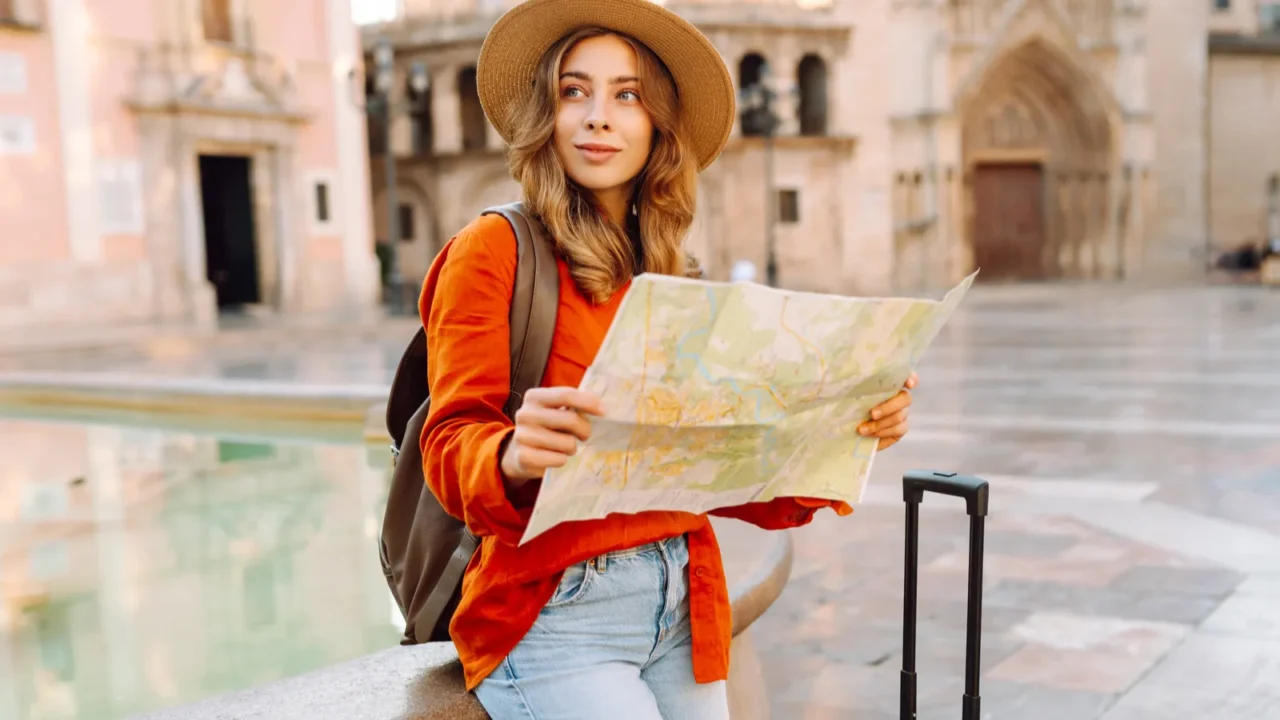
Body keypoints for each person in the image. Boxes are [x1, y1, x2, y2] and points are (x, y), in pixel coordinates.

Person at [417, 0, 918, 717]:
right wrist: (512, 456)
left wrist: (849, 423)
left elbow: (716, 465)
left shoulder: (675, 275)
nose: (598, 117)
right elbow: (449, 441)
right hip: (556, 614)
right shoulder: (493, 249)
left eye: (627, 95)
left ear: (656, 124)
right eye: (573, 92)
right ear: (545, 116)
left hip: (685, 602)